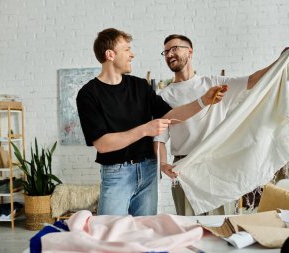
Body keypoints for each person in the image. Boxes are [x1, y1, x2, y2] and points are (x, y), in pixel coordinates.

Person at [76, 28, 228, 217]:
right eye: (126, 49)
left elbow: (171, 116)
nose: (132, 54)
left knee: (146, 233)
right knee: (109, 233)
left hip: (148, 171)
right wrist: (146, 129)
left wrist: (203, 101)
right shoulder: (88, 94)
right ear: (110, 55)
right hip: (117, 174)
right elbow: (103, 144)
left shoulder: (140, 86)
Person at [154, 34, 289, 215]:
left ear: (189, 52)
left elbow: (251, 81)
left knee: (221, 226)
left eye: (174, 48)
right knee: (189, 227)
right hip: (184, 169)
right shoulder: (164, 96)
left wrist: (280, 61)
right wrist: (163, 164)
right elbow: (159, 136)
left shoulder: (215, 83)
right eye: (166, 51)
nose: (169, 54)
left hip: (217, 166)